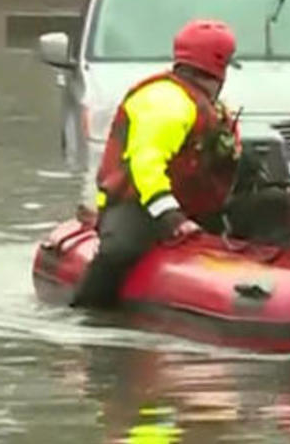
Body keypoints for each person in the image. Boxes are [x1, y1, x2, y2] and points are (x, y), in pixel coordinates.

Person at [70, 19, 242, 309]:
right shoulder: (168, 104)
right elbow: (146, 165)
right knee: (120, 251)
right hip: (137, 204)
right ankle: (87, 312)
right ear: (219, 69)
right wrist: (172, 219)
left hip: (193, 202)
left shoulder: (210, 105)